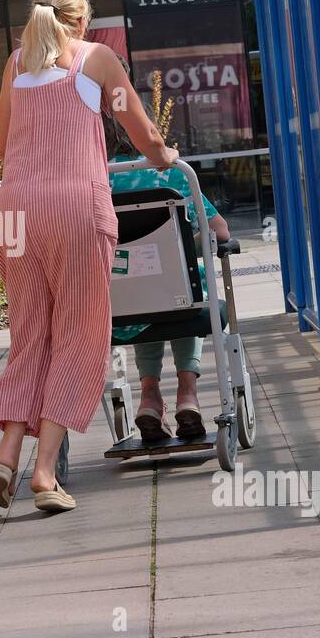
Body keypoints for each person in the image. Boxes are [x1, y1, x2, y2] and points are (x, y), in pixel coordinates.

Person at [0, 0, 177, 514]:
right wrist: (163, 157)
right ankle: (43, 473)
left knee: (28, 334)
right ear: (82, 20)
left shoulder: (15, 64)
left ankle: (5, 457)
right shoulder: (98, 61)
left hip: (17, 213)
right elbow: (145, 138)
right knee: (78, 332)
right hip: (74, 211)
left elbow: (2, 144)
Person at [106, 120, 231, 441]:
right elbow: (220, 232)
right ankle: (187, 394)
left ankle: (149, 397)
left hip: (113, 312)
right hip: (180, 307)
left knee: (138, 296)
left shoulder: (89, 181)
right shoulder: (175, 175)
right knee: (182, 290)